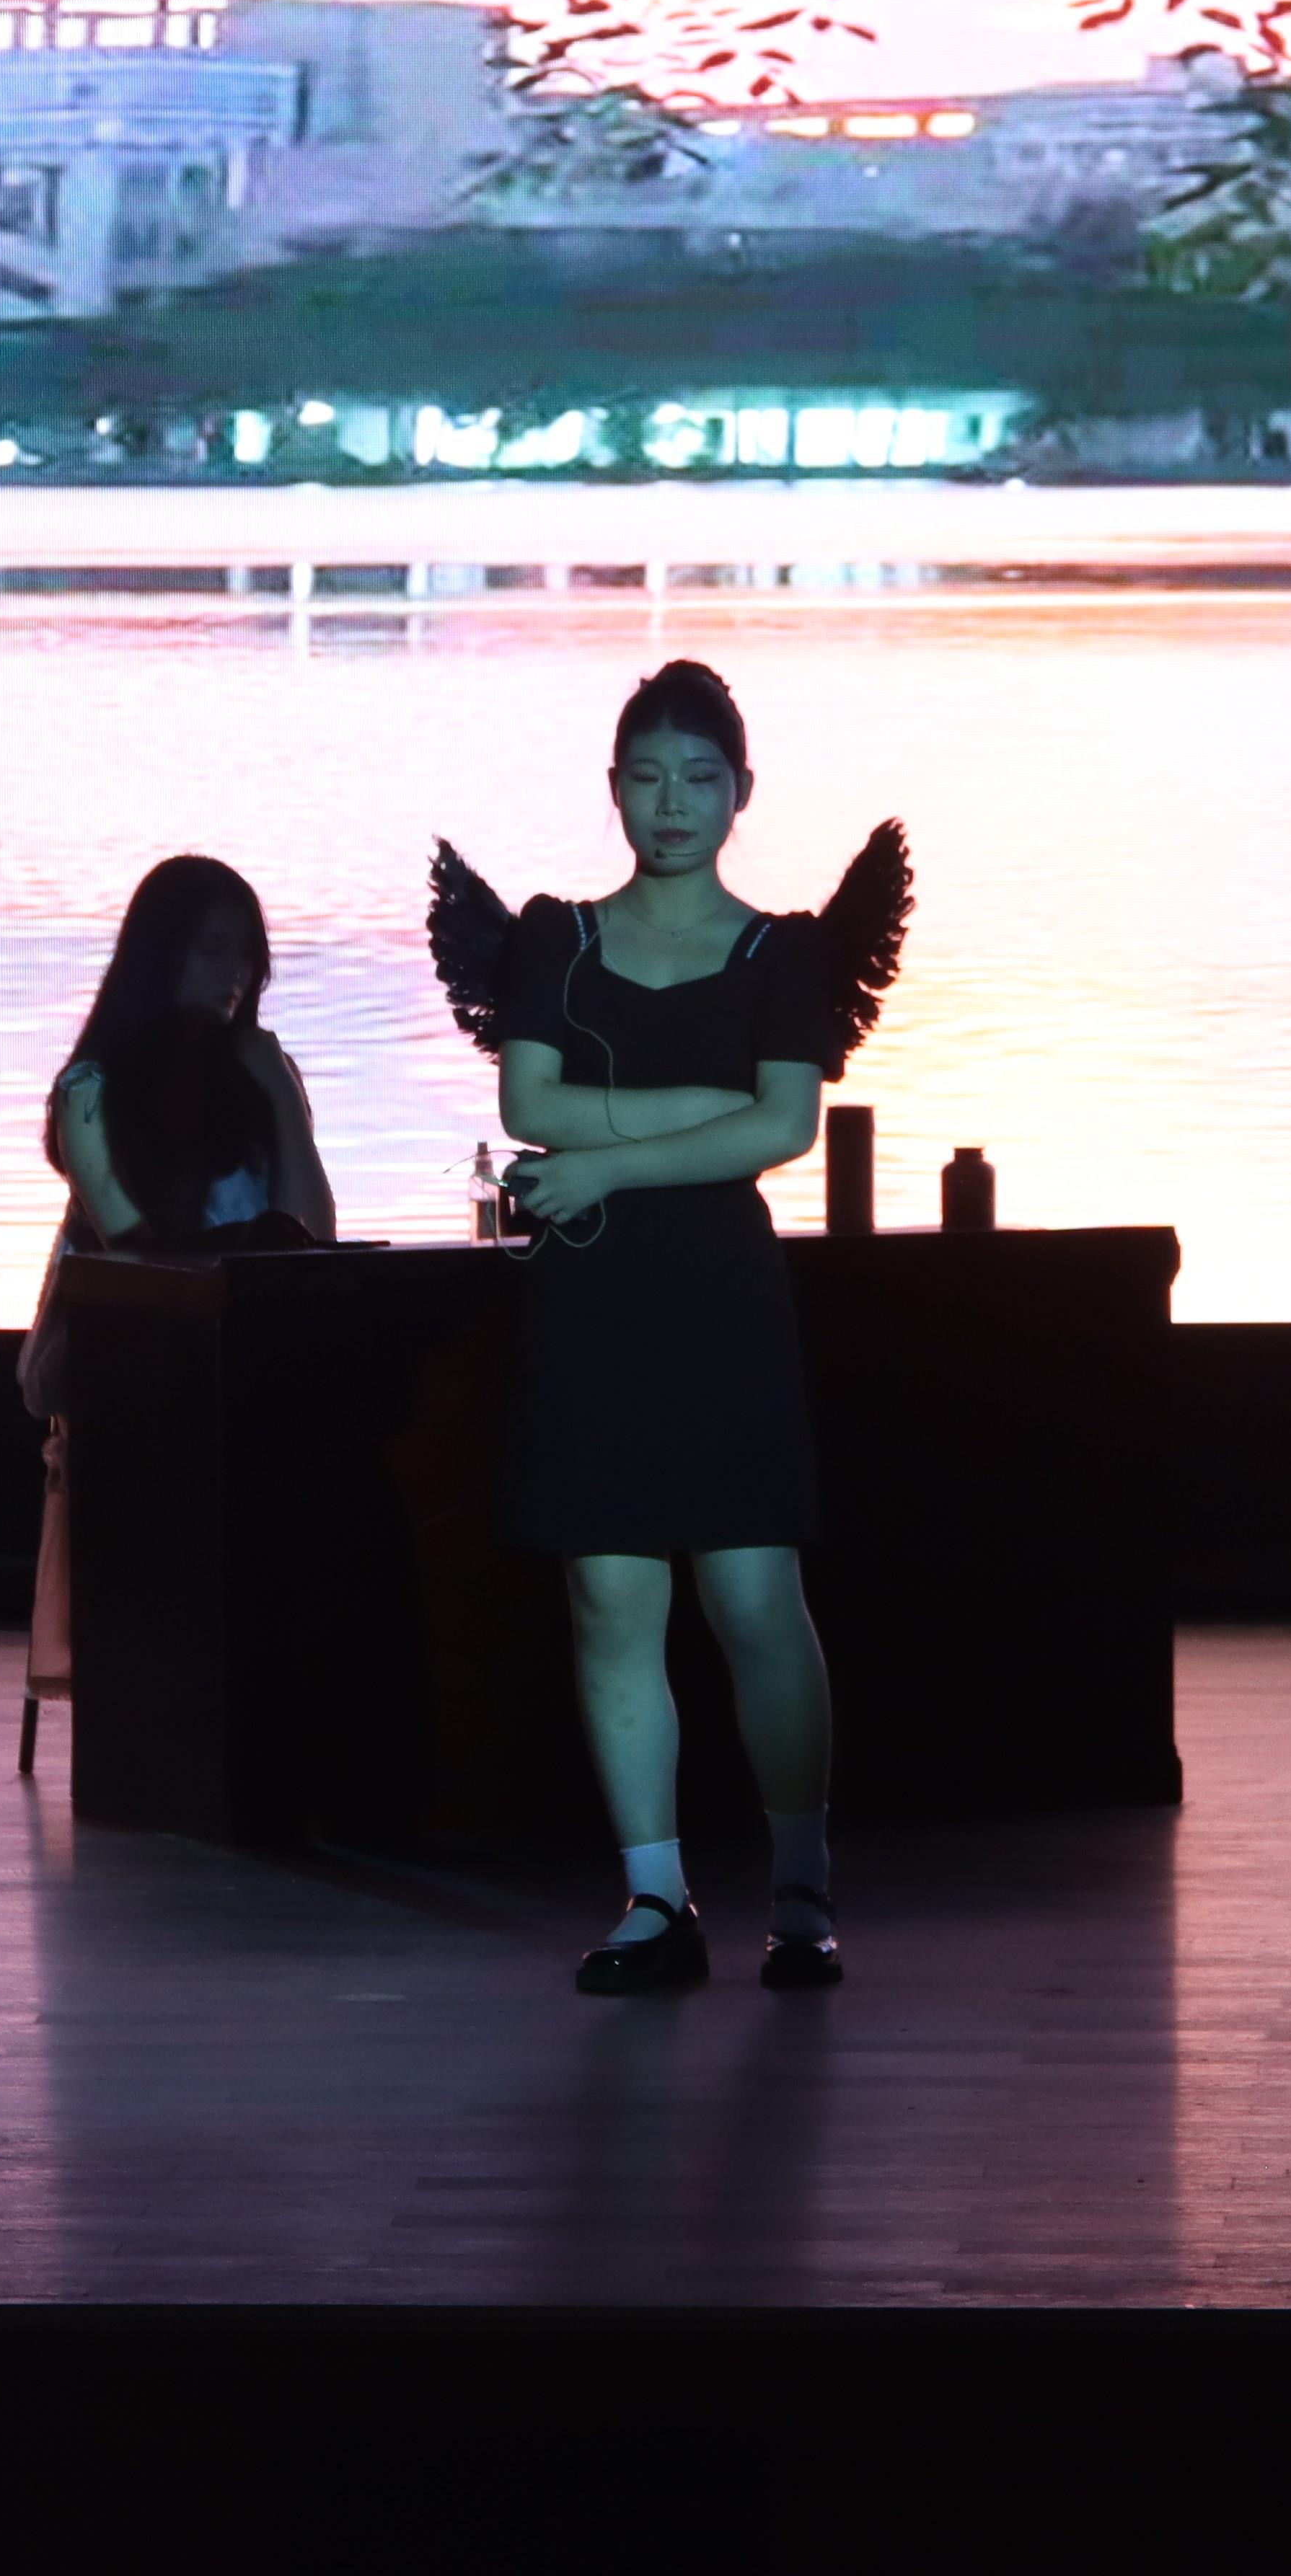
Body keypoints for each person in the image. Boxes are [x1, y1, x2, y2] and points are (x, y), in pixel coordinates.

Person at [427, 661, 907, 1994]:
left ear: (741, 792)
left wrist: (606, 1161)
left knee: (755, 1598)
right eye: (648, 778)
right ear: (616, 789)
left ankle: (801, 1890)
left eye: (700, 779)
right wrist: (697, 1117)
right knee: (609, 1597)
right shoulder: (558, 939)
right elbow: (530, 1105)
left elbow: (784, 1127)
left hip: (720, 1294)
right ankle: (655, 1897)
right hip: (591, 1299)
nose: (673, 803)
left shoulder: (780, 951)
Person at [21, 858, 334, 1766]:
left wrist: (280, 1097)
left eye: (246, 953)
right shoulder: (93, 1087)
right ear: (160, 956)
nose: (233, 972)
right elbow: (128, 1246)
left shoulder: (263, 1074)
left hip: (252, 1341)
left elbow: (315, 1229)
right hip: (133, 1347)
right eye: (210, 950)